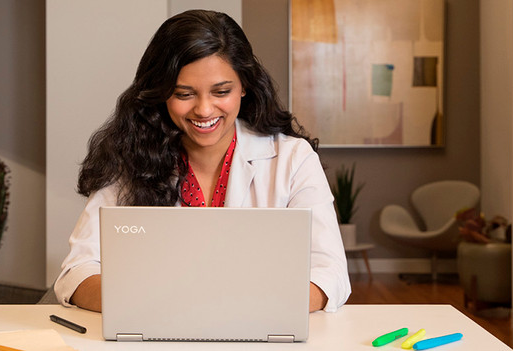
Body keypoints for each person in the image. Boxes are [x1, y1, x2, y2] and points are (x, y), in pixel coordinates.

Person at [54, 9, 351, 313]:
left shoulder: (292, 159)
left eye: (221, 91)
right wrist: (148, 306)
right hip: (156, 327)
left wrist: (244, 308)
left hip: (259, 327)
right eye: (184, 94)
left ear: (244, 86)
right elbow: (77, 272)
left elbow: (330, 275)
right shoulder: (132, 159)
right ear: (161, 93)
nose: (204, 110)